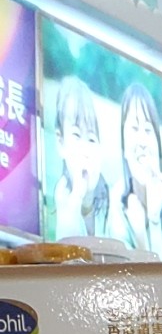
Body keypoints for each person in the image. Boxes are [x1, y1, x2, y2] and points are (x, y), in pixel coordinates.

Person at [44, 75, 112, 243]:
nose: (85, 149)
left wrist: (88, 197)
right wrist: (78, 195)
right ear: (61, 142)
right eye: (76, 135)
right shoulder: (63, 193)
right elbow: (70, 250)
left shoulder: (106, 194)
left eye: (91, 139)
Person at [115, 83, 162, 258]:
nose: (142, 141)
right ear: (123, 146)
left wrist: (154, 219)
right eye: (135, 129)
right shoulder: (116, 203)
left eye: (148, 130)